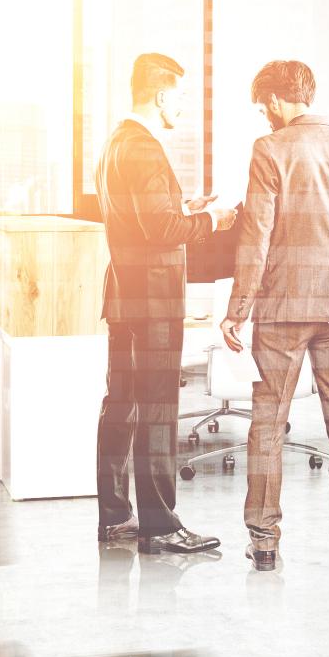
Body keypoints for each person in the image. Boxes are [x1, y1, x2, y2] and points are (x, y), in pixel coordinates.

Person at [220, 60, 329, 575]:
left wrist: (236, 311)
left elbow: (256, 239)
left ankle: (265, 543)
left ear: (276, 99)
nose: (263, 116)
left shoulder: (270, 150)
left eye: (262, 105)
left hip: (283, 307)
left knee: (268, 422)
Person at [93, 53, 232, 556]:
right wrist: (212, 219)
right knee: (156, 410)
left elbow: (143, 219)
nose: (183, 105)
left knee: (122, 405)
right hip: (152, 302)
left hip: (124, 295)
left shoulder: (115, 143)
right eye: (180, 95)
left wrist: (185, 207)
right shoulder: (146, 149)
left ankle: (115, 516)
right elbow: (162, 230)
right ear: (161, 94)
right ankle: (161, 524)